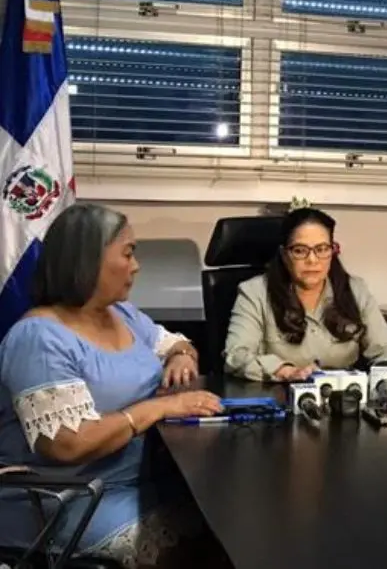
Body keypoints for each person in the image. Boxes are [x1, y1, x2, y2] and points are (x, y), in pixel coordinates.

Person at [0, 203, 224, 568]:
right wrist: (159, 407)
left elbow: (175, 343)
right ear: (87, 260)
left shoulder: (121, 314)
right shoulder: (38, 338)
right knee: (198, 553)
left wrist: (182, 356)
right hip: (67, 500)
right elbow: (66, 445)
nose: (136, 266)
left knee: (230, 523)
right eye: (128, 253)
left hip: (140, 483)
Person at [225, 206, 387, 381]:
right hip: (281, 394)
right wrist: (284, 371)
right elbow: (236, 355)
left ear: (332, 251)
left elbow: (386, 347)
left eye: (321, 249)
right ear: (284, 254)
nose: (312, 260)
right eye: (300, 251)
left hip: (344, 395)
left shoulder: (355, 290)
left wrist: (385, 371)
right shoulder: (255, 292)